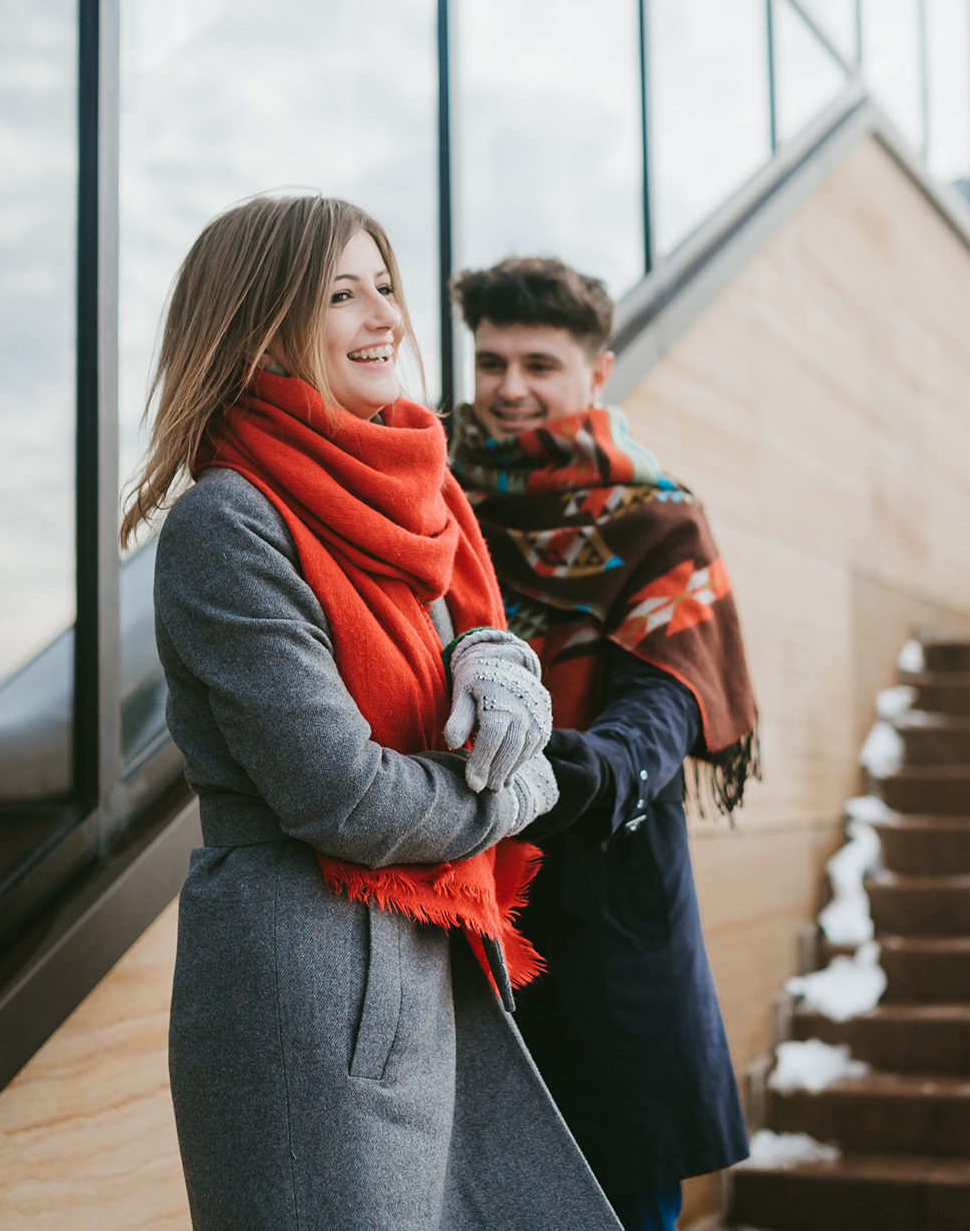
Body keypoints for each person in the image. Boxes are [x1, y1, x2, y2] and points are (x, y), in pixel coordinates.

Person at [127, 197, 625, 1231]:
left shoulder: (407, 495)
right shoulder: (229, 522)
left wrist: (495, 663)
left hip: (414, 964)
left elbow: (463, 644)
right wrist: (516, 793)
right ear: (260, 325)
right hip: (308, 985)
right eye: (341, 295)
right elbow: (342, 793)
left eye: (385, 287)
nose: (383, 317)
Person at [447, 256, 759, 1231]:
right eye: (490, 361)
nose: (506, 388)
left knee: (620, 1209)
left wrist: (570, 770)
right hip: (456, 914)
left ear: (598, 371)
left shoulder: (657, 524)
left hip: (604, 911)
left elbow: (661, 707)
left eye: (537, 362)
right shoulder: (434, 510)